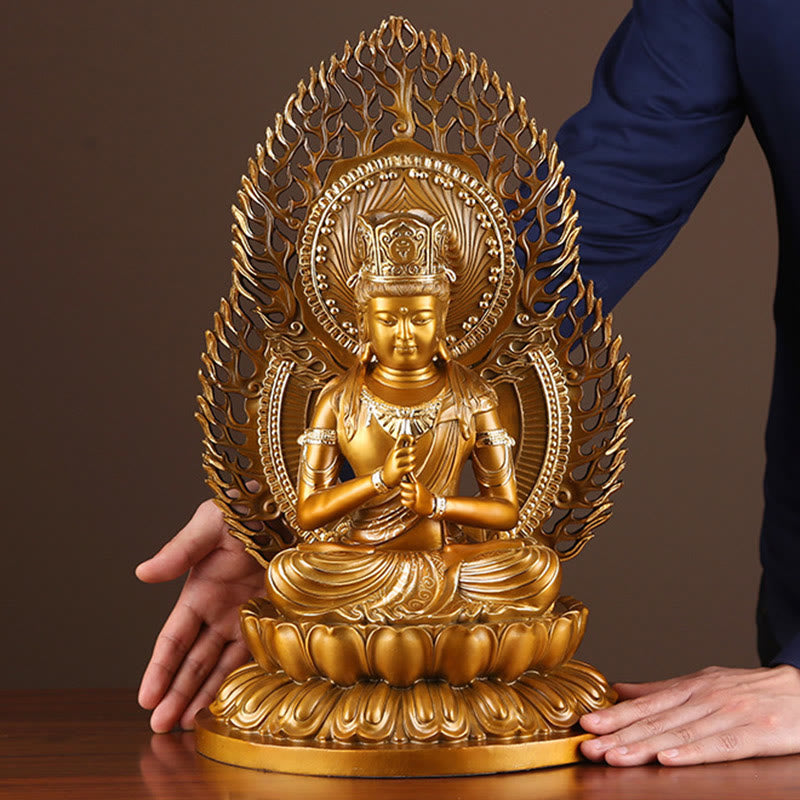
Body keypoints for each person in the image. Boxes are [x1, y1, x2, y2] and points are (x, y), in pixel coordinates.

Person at [137, 0, 800, 763]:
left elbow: (500, 507)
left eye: (425, 313)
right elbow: (591, 218)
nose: (411, 331)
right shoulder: (355, 391)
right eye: (390, 315)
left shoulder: (467, 401)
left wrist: (434, 501)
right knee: (316, 573)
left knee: (521, 573)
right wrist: (278, 505)